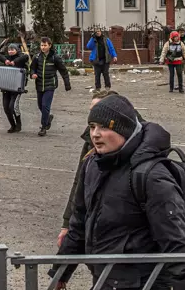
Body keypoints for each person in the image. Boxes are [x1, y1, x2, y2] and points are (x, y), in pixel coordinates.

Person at [56, 95, 185, 290]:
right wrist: (61, 272)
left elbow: (177, 246)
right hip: (104, 279)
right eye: (92, 126)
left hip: (142, 287)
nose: (95, 134)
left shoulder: (151, 176)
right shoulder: (93, 165)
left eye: (104, 127)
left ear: (124, 129)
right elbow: (79, 221)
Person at [59, 89, 142, 247]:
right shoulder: (92, 140)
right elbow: (80, 182)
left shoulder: (145, 155)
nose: (95, 132)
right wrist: (67, 223)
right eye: (91, 112)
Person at [29, 37, 71, 137]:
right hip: (39, 85)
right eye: (42, 45)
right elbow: (32, 68)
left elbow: (63, 71)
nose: (43, 47)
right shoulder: (37, 57)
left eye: (45, 45)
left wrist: (67, 84)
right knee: (40, 105)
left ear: (50, 45)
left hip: (50, 85)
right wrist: (32, 74)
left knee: (45, 105)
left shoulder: (54, 57)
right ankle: (48, 118)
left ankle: (43, 127)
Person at [0, 41, 29, 133]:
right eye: (9, 50)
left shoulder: (21, 58)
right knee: (6, 107)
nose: (10, 51)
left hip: (17, 88)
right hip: (6, 87)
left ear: (17, 50)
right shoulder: (7, 58)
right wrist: (5, 60)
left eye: (12, 49)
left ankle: (18, 125)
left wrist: (14, 62)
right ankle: (12, 125)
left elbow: (25, 56)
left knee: (13, 107)